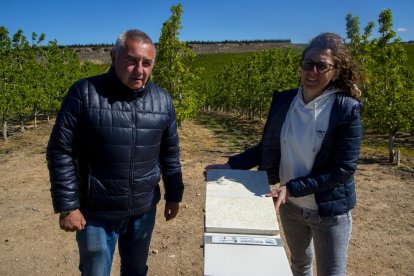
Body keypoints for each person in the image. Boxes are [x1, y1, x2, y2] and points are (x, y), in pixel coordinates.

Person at [205, 32, 362, 276]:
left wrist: (291, 187)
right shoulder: (285, 101)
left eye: (322, 66)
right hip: (290, 206)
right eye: (308, 64)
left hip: (329, 212)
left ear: (336, 70)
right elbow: (267, 148)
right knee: (300, 265)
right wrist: (231, 165)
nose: (313, 72)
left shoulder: (345, 109)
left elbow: (342, 170)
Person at [46, 29, 184, 276]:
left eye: (146, 63)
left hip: (143, 210)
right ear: (113, 57)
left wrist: (174, 194)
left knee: (136, 270)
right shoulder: (84, 93)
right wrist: (68, 206)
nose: (139, 70)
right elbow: (60, 150)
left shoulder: (162, 101)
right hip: (96, 213)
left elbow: (170, 154)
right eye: (131, 60)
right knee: (96, 272)